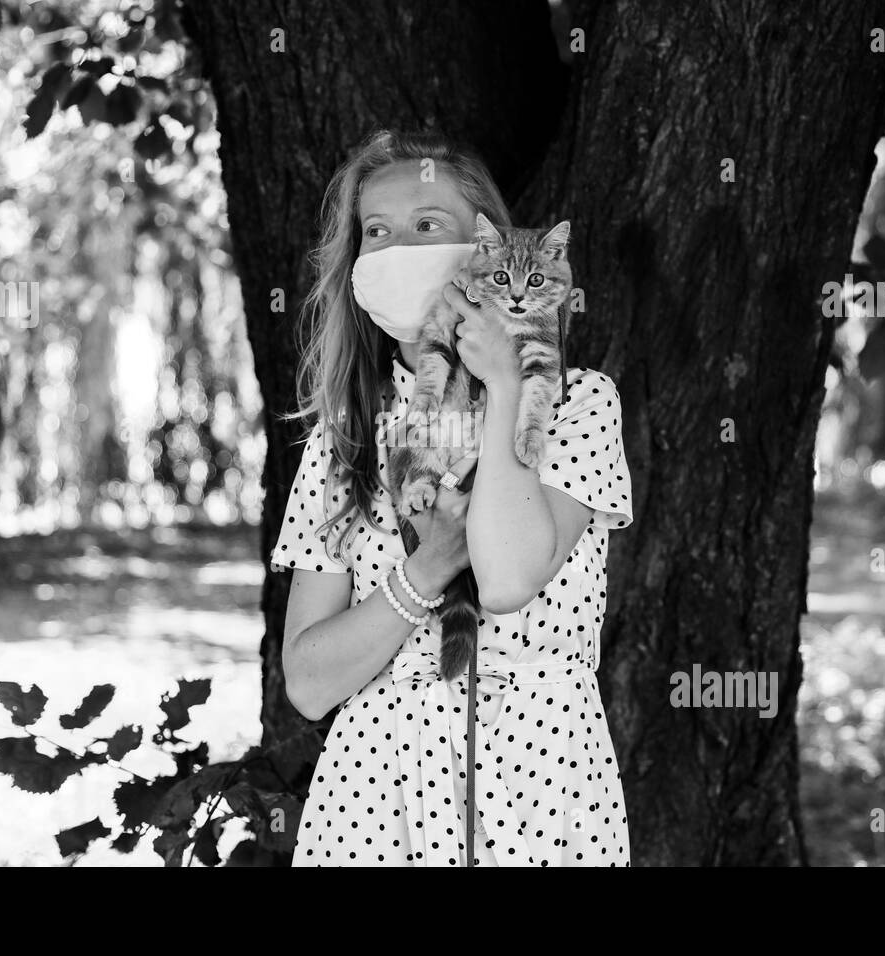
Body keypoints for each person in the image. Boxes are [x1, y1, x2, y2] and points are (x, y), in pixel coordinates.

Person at [269, 128, 634, 866]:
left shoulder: (581, 406)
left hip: (543, 783)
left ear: (486, 246)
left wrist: (504, 379)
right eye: (378, 232)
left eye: (426, 225)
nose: (399, 248)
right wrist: (426, 570)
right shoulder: (342, 439)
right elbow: (308, 684)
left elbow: (505, 579)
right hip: (377, 796)